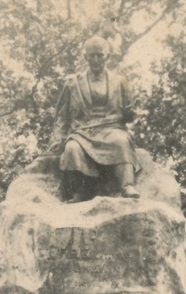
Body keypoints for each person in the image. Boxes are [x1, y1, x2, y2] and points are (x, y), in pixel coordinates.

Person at [48, 36, 140, 202]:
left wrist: (131, 113)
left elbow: (129, 113)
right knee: (72, 149)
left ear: (107, 56)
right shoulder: (72, 83)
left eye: (100, 55)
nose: (96, 59)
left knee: (120, 141)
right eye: (92, 56)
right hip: (82, 132)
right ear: (85, 57)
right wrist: (56, 140)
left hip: (111, 128)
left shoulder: (120, 82)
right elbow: (61, 117)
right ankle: (81, 191)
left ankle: (127, 185)